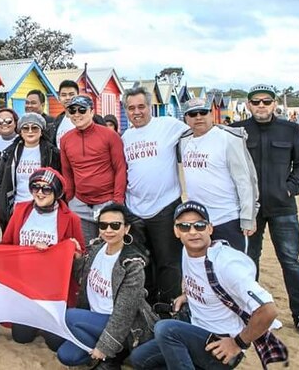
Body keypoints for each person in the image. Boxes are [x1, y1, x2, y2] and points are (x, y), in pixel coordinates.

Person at [129, 201, 288, 369]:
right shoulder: (187, 251)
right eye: (184, 226)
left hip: (220, 345)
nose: (193, 232)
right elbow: (204, 283)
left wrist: (238, 343)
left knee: (165, 329)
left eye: (199, 225)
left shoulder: (226, 264)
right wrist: (188, 295)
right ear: (176, 231)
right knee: (139, 359)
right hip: (196, 331)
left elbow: (269, 310)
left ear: (210, 228)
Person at [231, 84, 299, 338]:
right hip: (249, 209)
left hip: (283, 207)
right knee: (248, 262)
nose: (261, 106)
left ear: (274, 103)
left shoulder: (289, 129)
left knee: (290, 261)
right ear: (248, 105)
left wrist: (290, 188)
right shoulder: (238, 131)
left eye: (266, 101)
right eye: (255, 102)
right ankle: (250, 313)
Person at [56, 204, 157, 369]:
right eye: (103, 225)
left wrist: (105, 347)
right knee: (66, 356)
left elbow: (124, 313)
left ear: (126, 229)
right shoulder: (97, 248)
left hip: (122, 326)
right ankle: (115, 356)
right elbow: (81, 276)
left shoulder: (132, 265)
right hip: (93, 319)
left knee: (69, 316)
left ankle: (113, 350)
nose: (108, 230)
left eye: (115, 225)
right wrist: (74, 255)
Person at [121, 86, 190, 306]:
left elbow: (197, 131)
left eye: (141, 106)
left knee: (168, 262)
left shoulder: (168, 126)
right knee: (143, 261)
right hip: (135, 209)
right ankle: (147, 307)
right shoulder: (126, 136)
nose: (137, 112)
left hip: (165, 206)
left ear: (150, 107)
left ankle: (168, 307)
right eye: (131, 108)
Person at [1, 168, 85, 348]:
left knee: (55, 344)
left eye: (46, 189)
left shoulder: (71, 219)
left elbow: (80, 256)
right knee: (21, 337)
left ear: (56, 192)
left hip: (52, 291)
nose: (40, 193)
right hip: (24, 286)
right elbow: (6, 243)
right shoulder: (21, 210)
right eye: (35, 187)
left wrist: (71, 252)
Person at [180, 98, 257, 252]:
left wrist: (248, 217)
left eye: (203, 112)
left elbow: (245, 181)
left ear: (211, 114)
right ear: (186, 118)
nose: (198, 117)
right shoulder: (184, 141)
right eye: (193, 114)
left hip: (228, 218)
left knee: (233, 270)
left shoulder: (227, 138)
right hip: (199, 222)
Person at [60, 95, 127, 243]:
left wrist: (117, 200)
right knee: (86, 249)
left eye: (82, 110)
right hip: (80, 204)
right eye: (72, 110)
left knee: (109, 247)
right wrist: (70, 199)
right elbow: (67, 172)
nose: (77, 114)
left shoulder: (110, 135)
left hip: (107, 201)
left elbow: (120, 168)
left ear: (91, 111)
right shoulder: (65, 140)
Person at [0, 112, 61, 226]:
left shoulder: (52, 153)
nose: (30, 131)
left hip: (44, 207)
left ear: (41, 131)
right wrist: (2, 200)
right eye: (25, 128)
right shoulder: (10, 153)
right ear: (20, 131)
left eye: (35, 128)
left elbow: (59, 179)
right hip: (16, 208)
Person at [47, 79, 106, 146]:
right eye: (64, 95)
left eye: (71, 94)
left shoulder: (95, 119)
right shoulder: (56, 123)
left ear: (78, 96)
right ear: (59, 98)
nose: (67, 98)